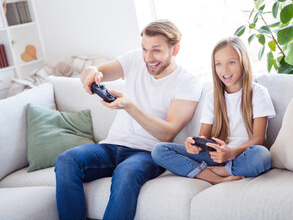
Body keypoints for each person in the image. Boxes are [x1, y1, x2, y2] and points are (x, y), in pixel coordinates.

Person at [54, 19, 203, 220]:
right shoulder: (135, 59)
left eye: (156, 50)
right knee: (66, 160)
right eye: (144, 49)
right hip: (110, 147)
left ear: (174, 50)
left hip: (148, 153)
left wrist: (129, 106)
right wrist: (90, 73)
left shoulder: (188, 83)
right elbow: (100, 71)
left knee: (126, 173)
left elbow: (168, 132)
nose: (148, 57)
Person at [152, 36, 276, 184]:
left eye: (231, 62)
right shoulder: (213, 97)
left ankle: (220, 171)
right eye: (218, 64)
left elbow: (259, 140)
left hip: (242, 155)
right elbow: (203, 136)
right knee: (159, 150)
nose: (225, 69)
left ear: (243, 63)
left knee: (262, 155)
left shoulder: (258, 92)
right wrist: (194, 145)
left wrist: (231, 152)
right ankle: (216, 179)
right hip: (215, 155)